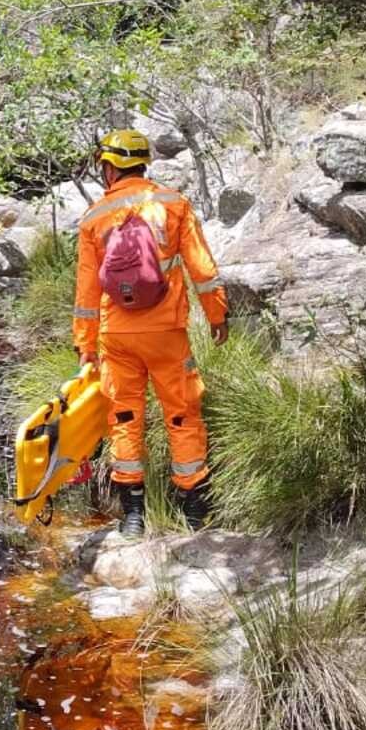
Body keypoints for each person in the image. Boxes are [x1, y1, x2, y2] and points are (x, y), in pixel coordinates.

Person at [72, 128, 228, 539]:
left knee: (124, 417)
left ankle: (132, 516)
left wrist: (85, 345)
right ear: (143, 164)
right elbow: (203, 270)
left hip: (117, 337)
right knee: (182, 414)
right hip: (166, 333)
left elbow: (86, 293)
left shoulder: (93, 219)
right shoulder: (174, 204)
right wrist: (217, 314)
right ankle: (194, 511)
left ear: (109, 168)